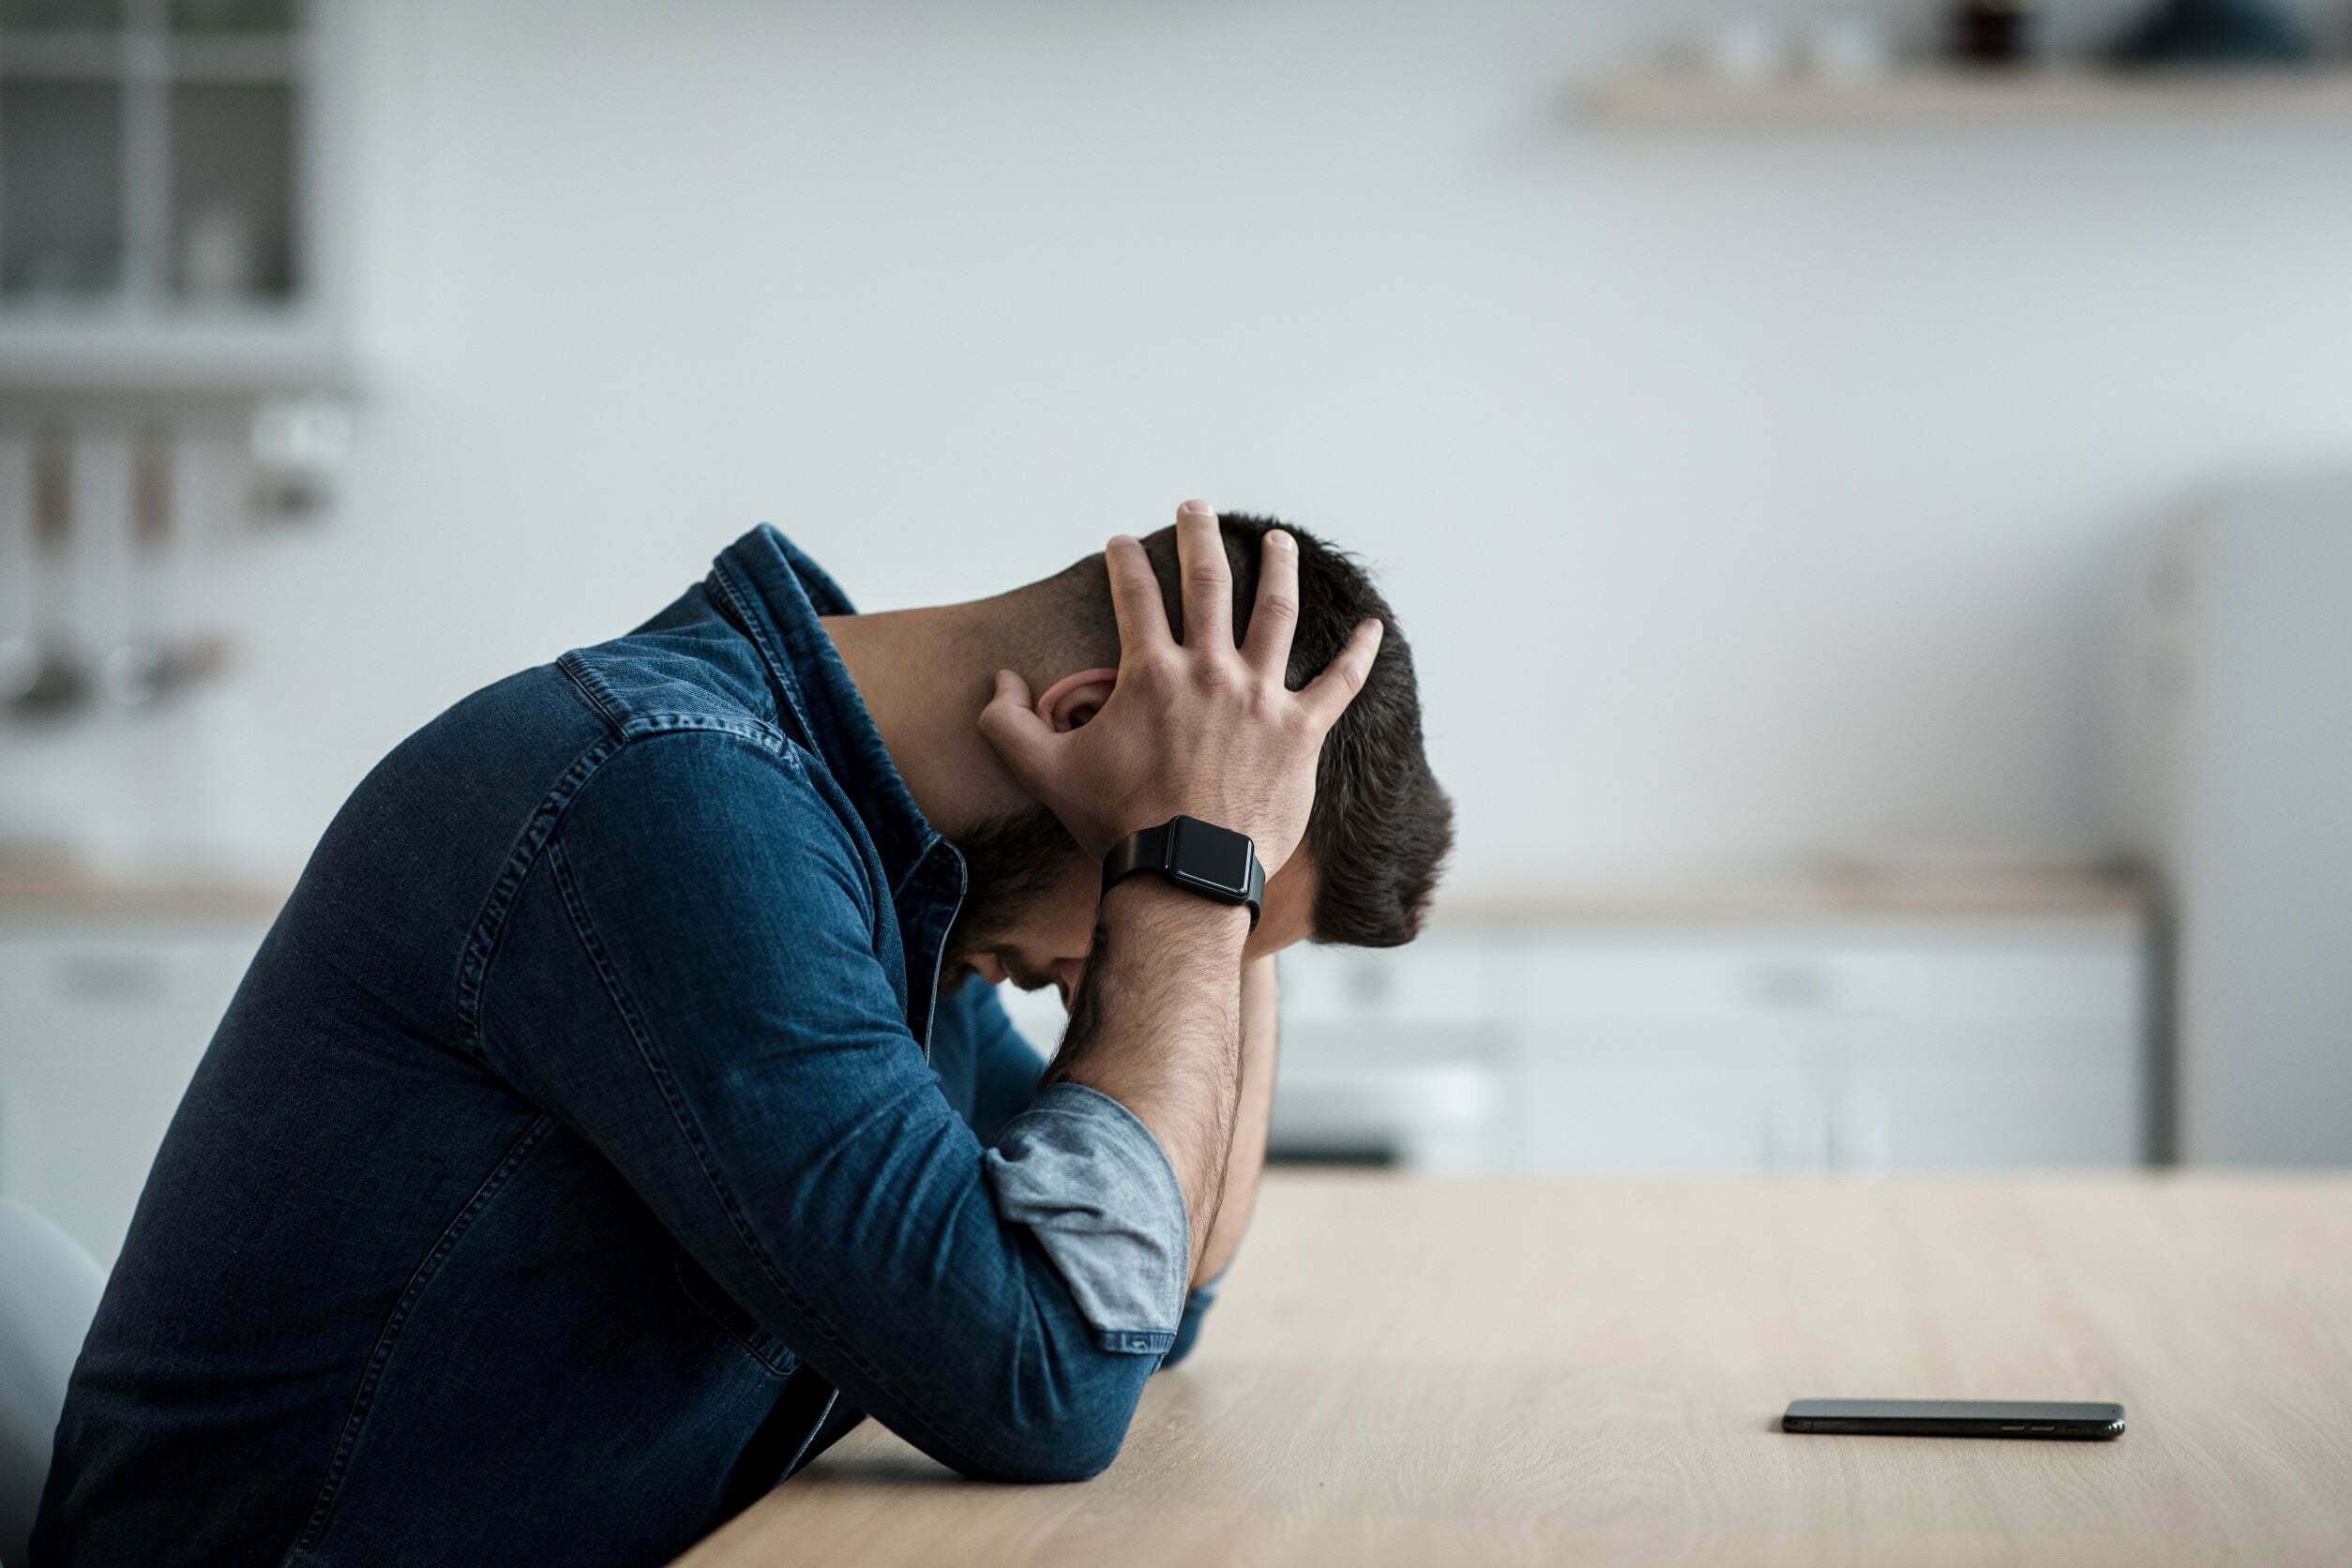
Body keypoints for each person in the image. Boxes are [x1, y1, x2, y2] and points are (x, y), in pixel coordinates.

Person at [32, 502, 1453, 1568]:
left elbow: (1149, 1294)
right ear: (1086, 716)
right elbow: (1056, 1376)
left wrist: (1219, 865)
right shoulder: (672, 806)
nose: (1089, 971)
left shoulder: (897, 875)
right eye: (1162, 897)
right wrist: (1197, 869)